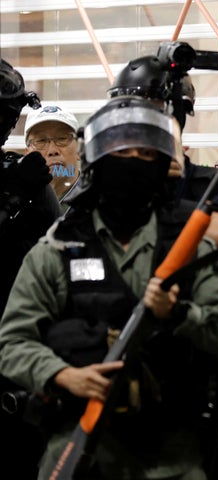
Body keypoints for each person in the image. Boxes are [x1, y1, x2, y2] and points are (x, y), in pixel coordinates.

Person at [0, 95, 218, 480]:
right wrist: (61, 374)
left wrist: (180, 314)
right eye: (121, 151)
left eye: (145, 154)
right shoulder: (58, 248)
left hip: (173, 458)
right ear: (98, 161)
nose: (132, 163)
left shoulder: (189, 249)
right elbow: (14, 342)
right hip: (77, 451)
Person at [108, 55, 218, 247]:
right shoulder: (104, 179)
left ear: (177, 116)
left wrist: (163, 199)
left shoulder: (213, 185)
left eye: (151, 114)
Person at [0, 57, 62, 480]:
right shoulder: (16, 181)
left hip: (16, 352)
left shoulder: (21, 176)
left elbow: (52, 261)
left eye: (9, 116)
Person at [24, 104, 80, 201]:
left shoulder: (101, 202)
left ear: (79, 149)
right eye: (41, 141)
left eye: (62, 138)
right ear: (28, 154)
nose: (52, 151)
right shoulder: (16, 206)